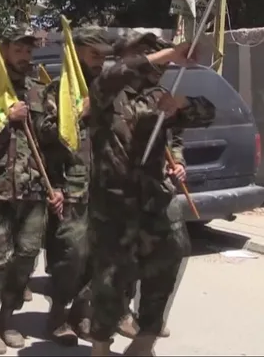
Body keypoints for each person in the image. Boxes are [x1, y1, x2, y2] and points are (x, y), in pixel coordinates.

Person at [86, 36, 216, 356]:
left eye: (158, 53)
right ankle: (100, 346)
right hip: (113, 204)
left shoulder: (160, 96)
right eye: (145, 53)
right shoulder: (107, 93)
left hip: (154, 200)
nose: (156, 60)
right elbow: (113, 74)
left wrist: (181, 104)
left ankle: (144, 341)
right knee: (111, 279)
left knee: (167, 263)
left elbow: (207, 114)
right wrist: (168, 54)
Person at [0, 24, 63, 354]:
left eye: (28, 50)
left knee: (25, 258)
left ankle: (8, 317)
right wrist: (5, 117)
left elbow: (50, 140)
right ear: (4, 49)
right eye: (18, 49)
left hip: (34, 188)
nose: (24, 55)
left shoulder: (39, 91)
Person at [37, 27, 111, 346]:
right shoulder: (57, 90)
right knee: (72, 253)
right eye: (94, 55)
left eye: (103, 57)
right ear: (77, 53)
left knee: (101, 255)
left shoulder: (110, 91)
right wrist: (79, 113)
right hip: (70, 187)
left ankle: (82, 312)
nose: (100, 62)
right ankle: (58, 313)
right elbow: (43, 134)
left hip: (105, 188)